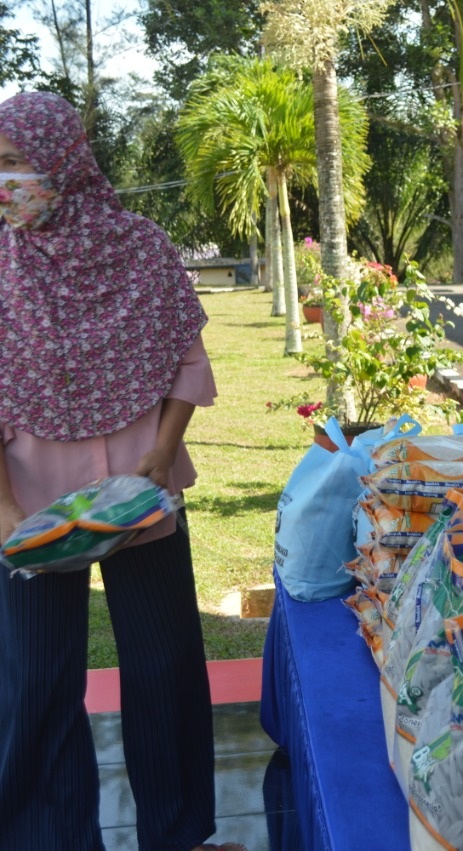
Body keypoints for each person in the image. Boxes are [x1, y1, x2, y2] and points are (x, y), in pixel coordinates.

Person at [0, 92, 239, 851]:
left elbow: (185, 356)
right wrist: (5, 515)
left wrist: (165, 453)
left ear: (61, 163)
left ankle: (180, 834)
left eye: (13, 165)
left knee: (164, 660)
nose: (5, 184)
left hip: (141, 489)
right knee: (37, 676)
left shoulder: (141, 246)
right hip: (30, 505)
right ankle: (49, 836)